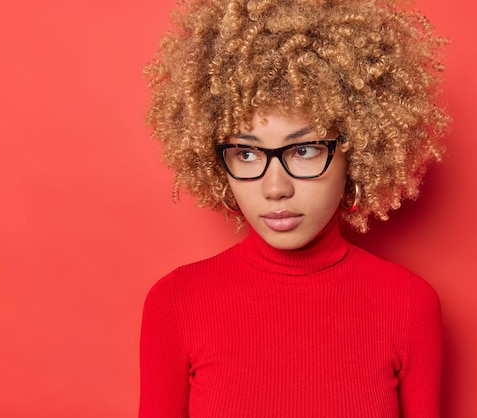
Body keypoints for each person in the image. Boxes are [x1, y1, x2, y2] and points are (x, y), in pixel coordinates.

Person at [139, 0, 450, 416]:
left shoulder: (409, 305)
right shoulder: (175, 304)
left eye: (304, 149)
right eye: (246, 153)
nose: (275, 188)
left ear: (356, 151)